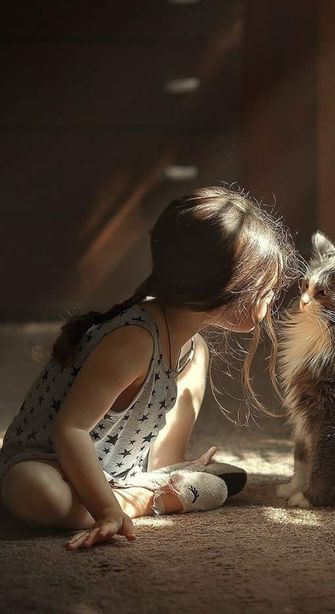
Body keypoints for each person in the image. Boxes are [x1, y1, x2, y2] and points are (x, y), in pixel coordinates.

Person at [0, 185, 297, 550]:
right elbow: (70, 429)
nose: (271, 297)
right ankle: (142, 503)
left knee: (220, 477)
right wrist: (109, 509)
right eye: (264, 288)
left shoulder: (194, 352)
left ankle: (141, 496)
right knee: (32, 491)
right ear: (223, 284)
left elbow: (165, 457)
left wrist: (175, 471)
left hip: (122, 475)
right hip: (48, 462)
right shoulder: (134, 339)